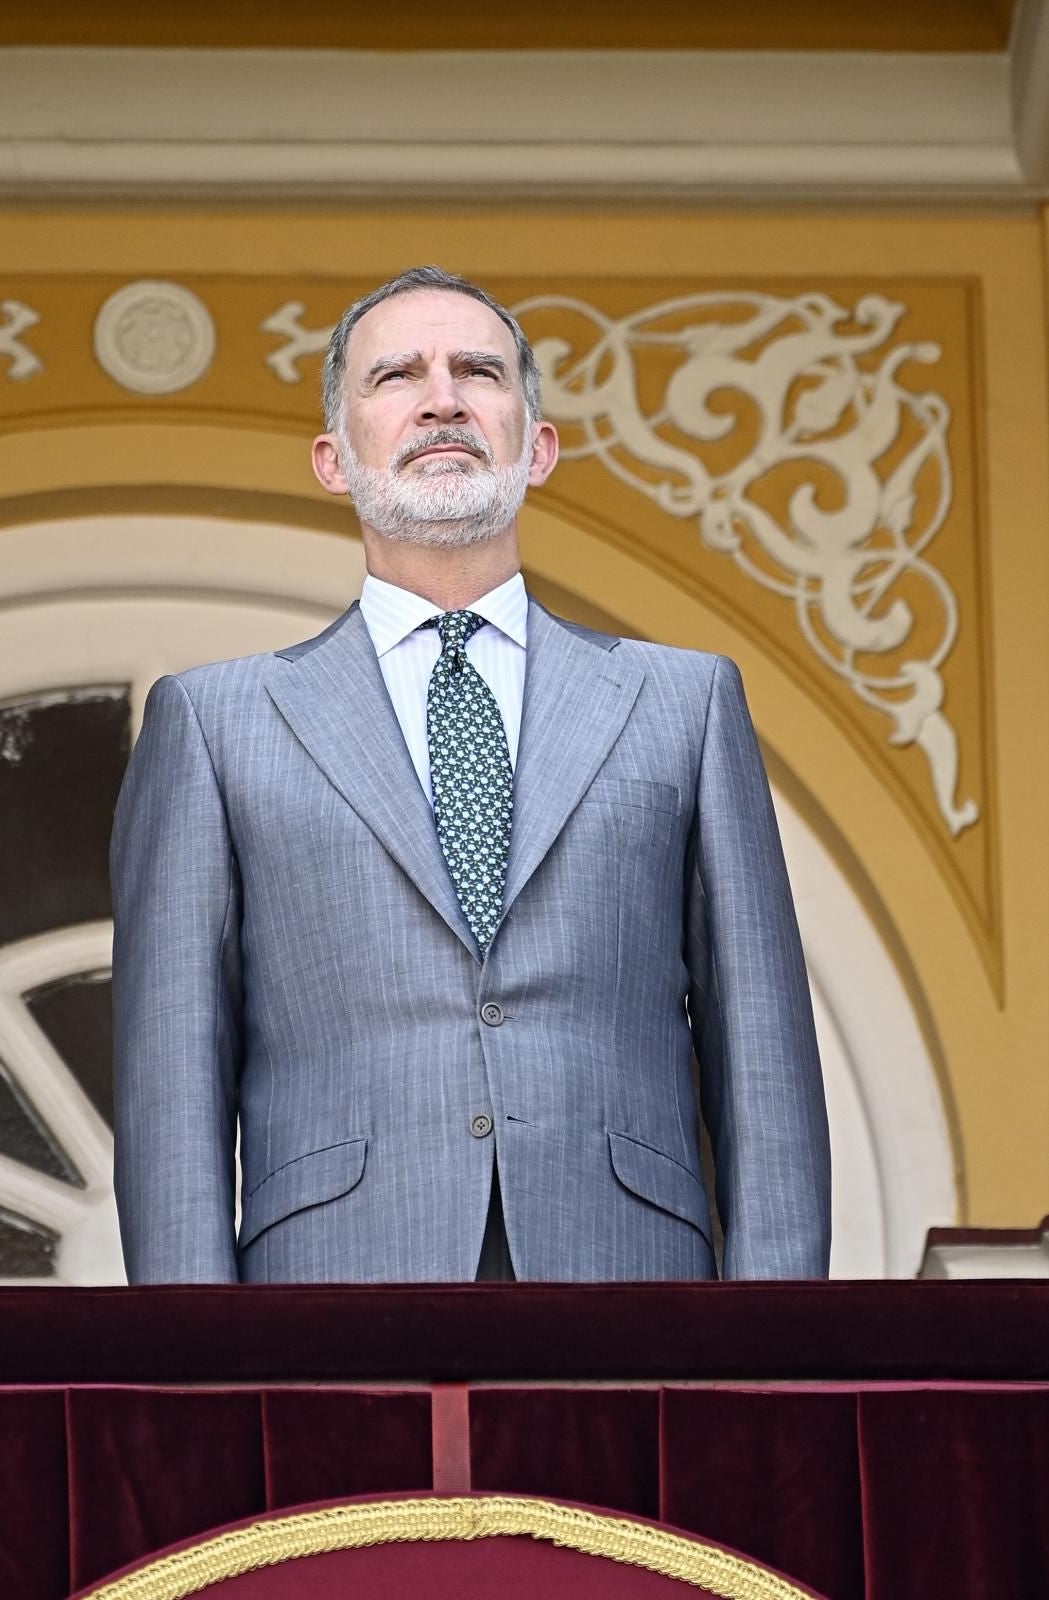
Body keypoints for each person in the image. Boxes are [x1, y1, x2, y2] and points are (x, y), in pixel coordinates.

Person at [111, 265, 831, 1284]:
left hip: (631, 1288)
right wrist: (198, 1379)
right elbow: (172, 1089)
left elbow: (762, 1060)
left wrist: (772, 1363)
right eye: (395, 375)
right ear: (332, 458)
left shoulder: (685, 702)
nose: (441, 397)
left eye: (479, 371)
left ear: (537, 448)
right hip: (329, 1298)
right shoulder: (213, 723)